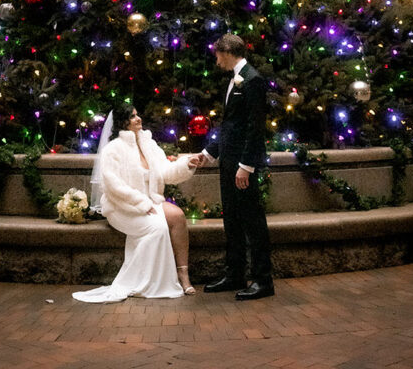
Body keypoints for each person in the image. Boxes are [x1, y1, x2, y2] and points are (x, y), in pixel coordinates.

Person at [72, 107, 198, 302]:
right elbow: (112, 184)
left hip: (150, 202)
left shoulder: (149, 144)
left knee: (178, 217)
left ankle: (183, 275)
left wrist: (186, 165)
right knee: (158, 227)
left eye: (138, 114)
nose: (138, 118)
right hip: (121, 207)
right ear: (123, 122)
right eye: (132, 116)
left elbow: (166, 172)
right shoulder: (113, 149)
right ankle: (145, 282)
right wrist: (139, 202)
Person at [197, 33, 274, 300]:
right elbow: (230, 125)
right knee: (231, 219)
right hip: (228, 161)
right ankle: (235, 274)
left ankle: (263, 280)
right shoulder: (233, 80)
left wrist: (247, 165)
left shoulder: (253, 80)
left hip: (242, 164)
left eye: (217, 54)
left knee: (252, 221)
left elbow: (255, 127)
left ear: (227, 52)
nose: (216, 60)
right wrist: (208, 153)